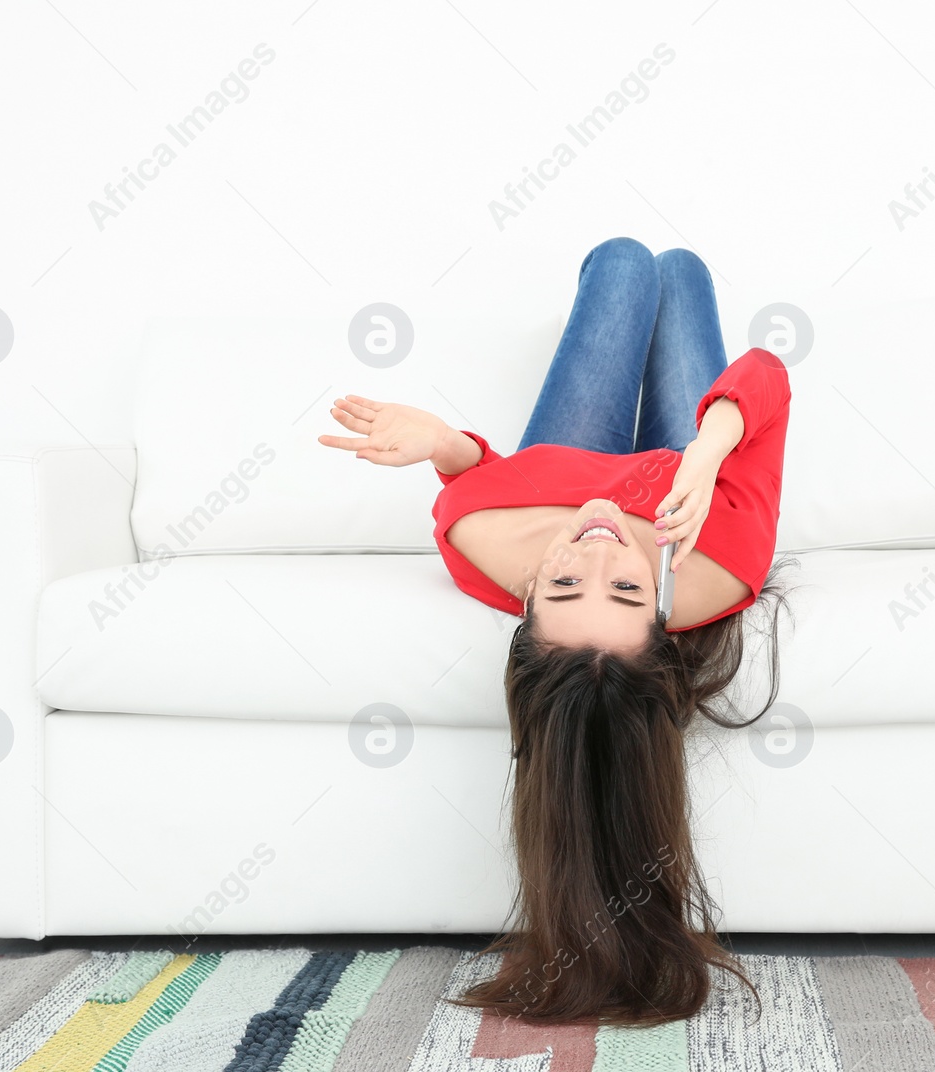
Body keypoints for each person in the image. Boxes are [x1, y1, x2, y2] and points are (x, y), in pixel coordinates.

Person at [317, 236, 796, 1025]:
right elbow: (766, 375)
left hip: (564, 464)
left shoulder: (484, 545)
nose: (598, 545)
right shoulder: (726, 558)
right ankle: (684, 394)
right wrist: (711, 451)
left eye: (567, 584)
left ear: (528, 601)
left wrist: (445, 446)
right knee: (682, 273)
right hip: (685, 473)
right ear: (664, 611)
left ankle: (634, 287)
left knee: (621, 264)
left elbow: (479, 481)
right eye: (627, 587)